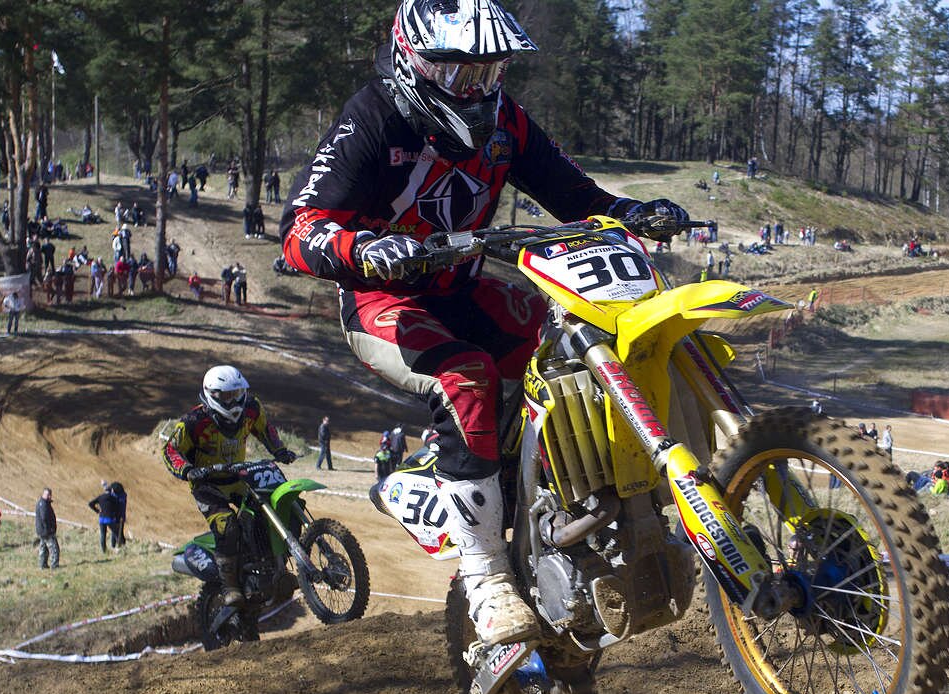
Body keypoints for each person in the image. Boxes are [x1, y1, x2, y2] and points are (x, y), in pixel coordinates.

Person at [281, 0, 690, 647]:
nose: (476, 89)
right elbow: (299, 228)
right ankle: (487, 578)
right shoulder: (373, 118)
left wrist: (631, 211)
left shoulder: (507, 124)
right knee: (466, 375)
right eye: (460, 74)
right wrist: (364, 248)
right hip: (384, 303)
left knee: (572, 341)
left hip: (465, 288)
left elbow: (577, 197)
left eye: (489, 72)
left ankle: (573, 504)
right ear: (414, 62)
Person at [161, 365, 296, 630]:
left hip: (238, 478)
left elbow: (266, 429)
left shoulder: (251, 408)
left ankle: (275, 568)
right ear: (211, 395)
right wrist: (187, 470)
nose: (233, 401)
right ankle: (231, 587)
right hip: (208, 485)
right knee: (227, 525)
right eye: (226, 396)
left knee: (263, 513)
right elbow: (170, 450)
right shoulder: (194, 421)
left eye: (236, 394)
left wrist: (279, 450)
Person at [88, 485, 122, 553]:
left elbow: (90, 504)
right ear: (111, 491)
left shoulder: (100, 497)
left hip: (101, 519)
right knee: (116, 533)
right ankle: (116, 547)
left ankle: (104, 551)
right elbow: (118, 506)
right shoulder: (112, 497)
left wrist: (97, 510)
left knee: (103, 535)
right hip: (110, 518)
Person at [35, 487, 60, 569]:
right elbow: (44, 517)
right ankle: (54, 565)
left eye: (50, 495)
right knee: (54, 548)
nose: (49, 496)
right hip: (46, 531)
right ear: (43, 494)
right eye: (47, 494)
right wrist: (49, 529)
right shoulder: (43, 504)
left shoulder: (42, 503)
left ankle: (43, 565)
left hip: (41, 531)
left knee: (43, 548)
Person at [110, 482, 128, 547]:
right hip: (121, 517)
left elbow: (121, 508)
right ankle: (119, 545)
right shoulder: (123, 495)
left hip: (118, 517)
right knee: (118, 532)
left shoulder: (117, 497)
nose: (111, 490)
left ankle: (115, 545)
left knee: (116, 532)